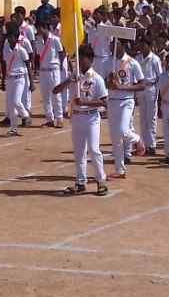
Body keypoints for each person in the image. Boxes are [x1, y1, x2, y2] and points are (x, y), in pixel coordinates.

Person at [57, 45, 109, 196]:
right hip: (77, 117)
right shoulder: (75, 77)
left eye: (82, 59)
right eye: (78, 58)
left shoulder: (97, 79)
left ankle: (101, 181)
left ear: (90, 60)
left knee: (94, 149)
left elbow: (104, 102)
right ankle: (81, 182)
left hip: (92, 117)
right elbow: (56, 90)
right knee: (79, 152)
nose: (79, 62)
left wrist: (85, 103)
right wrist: (69, 81)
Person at [106, 37, 145, 178]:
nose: (111, 47)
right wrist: (109, 81)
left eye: (114, 44)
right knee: (115, 138)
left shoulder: (132, 63)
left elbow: (142, 84)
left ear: (122, 45)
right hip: (112, 100)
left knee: (123, 130)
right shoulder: (108, 62)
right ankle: (120, 170)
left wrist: (122, 87)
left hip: (126, 101)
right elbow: (106, 84)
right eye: (111, 45)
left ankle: (137, 139)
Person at [37, 17, 67, 129]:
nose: (38, 30)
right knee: (45, 97)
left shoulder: (55, 39)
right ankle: (49, 119)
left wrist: (59, 65)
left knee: (56, 95)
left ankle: (59, 118)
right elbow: (38, 55)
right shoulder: (38, 40)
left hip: (54, 70)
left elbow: (62, 53)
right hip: (43, 70)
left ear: (45, 28)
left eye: (39, 28)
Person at [3, 27, 32, 136]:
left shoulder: (21, 50)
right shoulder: (6, 49)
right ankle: (13, 128)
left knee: (16, 101)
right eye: (8, 37)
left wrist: (31, 82)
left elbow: (28, 65)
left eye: (12, 37)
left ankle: (25, 115)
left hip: (20, 78)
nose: (10, 39)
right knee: (11, 105)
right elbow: (4, 62)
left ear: (16, 38)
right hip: (9, 78)